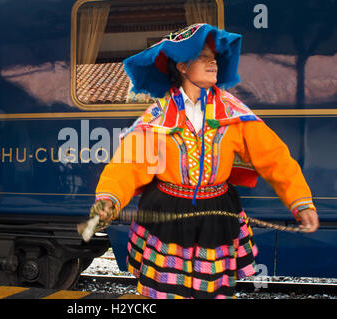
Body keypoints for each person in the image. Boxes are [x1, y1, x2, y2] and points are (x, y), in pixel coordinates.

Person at [88, 24, 319, 299]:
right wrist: (109, 199)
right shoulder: (157, 119)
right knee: (167, 292)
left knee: (212, 293)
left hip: (216, 216)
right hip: (168, 216)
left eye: (214, 57)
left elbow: (275, 158)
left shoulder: (235, 114)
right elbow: (128, 164)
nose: (213, 61)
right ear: (182, 67)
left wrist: (300, 201)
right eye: (202, 56)